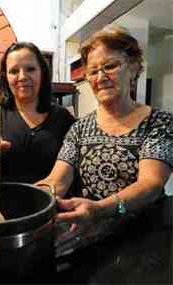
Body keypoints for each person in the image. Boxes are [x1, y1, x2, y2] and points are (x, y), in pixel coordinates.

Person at [37, 26, 173, 229]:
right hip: (93, 237)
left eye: (110, 66)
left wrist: (101, 209)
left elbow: (150, 184)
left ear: (134, 68)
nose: (100, 78)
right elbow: (57, 180)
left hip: (146, 237)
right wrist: (31, 197)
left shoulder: (159, 123)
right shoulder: (79, 128)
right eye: (92, 71)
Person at [0, 42, 75, 184]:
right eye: (14, 71)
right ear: (5, 77)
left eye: (30, 69)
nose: (22, 76)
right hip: (1, 203)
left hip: (48, 201)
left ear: (42, 73)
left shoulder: (63, 118)